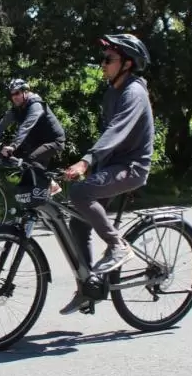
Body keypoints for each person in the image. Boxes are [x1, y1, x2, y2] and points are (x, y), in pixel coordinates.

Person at [59, 34, 155, 316]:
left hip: (132, 168)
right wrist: (71, 170)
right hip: (112, 167)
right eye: (103, 59)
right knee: (78, 220)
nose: (102, 64)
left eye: (108, 60)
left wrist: (86, 162)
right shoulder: (113, 92)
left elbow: (116, 133)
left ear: (127, 63)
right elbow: (107, 137)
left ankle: (117, 246)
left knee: (80, 193)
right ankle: (88, 289)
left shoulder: (134, 93)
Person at [0, 78, 66, 171]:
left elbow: (26, 126)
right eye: (12, 94)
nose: (14, 97)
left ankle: (51, 184)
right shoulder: (16, 109)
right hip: (35, 142)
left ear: (25, 92)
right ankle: (37, 183)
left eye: (17, 93)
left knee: (30, 160)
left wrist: (13, 146)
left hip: (53, 141)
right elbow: (1, 126)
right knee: (8, 158)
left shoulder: (35, 105)